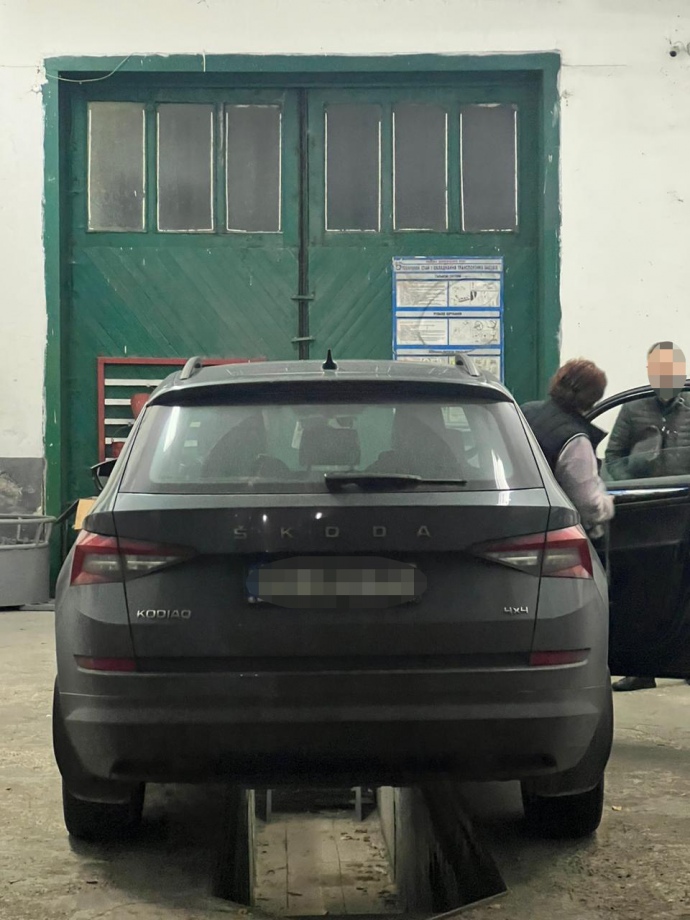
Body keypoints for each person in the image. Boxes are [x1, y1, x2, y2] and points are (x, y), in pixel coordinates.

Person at [604, 341, 690, 691]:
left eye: (672, 370)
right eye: (660, 370)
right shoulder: (633, 408)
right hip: (647, 514)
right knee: (645, 596)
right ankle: (643, 669)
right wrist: (633, 486)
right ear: (650, 373)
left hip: (685, 510)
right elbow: (613, 457)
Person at [522, 359, 614, 541]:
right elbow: (589, 505)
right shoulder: (575, 440)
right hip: (554, 534)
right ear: (593, 398)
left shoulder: (527, 411)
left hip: (519, 518)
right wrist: (608, 504)